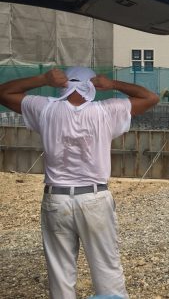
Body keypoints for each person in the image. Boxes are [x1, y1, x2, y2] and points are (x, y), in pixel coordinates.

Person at [0, 67, 159, 299]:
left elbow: (3, 93)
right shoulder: (106, 111)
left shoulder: (45, 108)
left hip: (56, 198)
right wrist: (114, 84)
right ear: (92, 85)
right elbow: (151, 98)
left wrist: (42, 79)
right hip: (94, 198)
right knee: (107, 273)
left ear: (63, 83)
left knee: (60, 275)